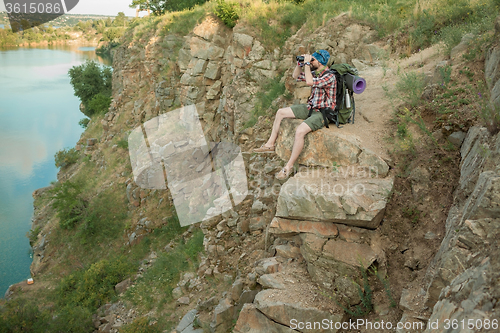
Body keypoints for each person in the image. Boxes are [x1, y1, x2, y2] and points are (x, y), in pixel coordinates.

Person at [253, 49, 336, 180]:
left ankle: (288, 166)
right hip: (311, 107)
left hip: (323, 112)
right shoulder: (315, 73)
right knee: (280, 112)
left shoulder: (329, 76)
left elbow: (309, 82)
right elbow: (295, 77)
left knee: (300, 131)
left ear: (320, 62)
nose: (311, 61)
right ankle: (270, 144)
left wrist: (307, 65)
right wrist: (300, 64)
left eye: (313, 60)